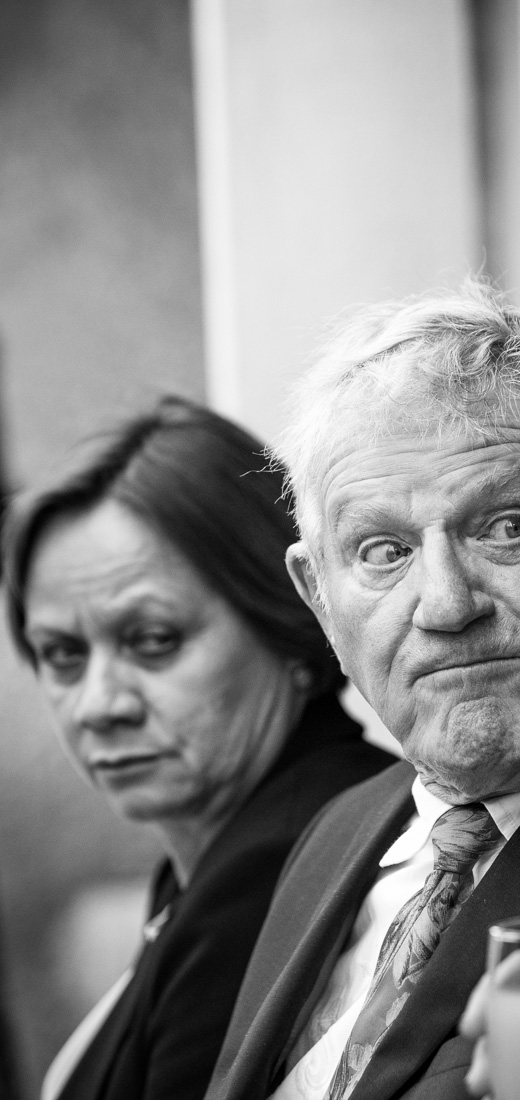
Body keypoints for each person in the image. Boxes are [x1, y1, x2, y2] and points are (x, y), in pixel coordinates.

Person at [204, 278, 520, 1100]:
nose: (445, 603)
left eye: (506, 524)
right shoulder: (341, 830)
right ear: (317, 597)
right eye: (383, 551)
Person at [2, 396, 393, 1100]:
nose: (99, 705)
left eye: (153, 641)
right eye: (61, 655)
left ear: (289, 620)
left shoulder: (283, 863)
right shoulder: (221, 850)